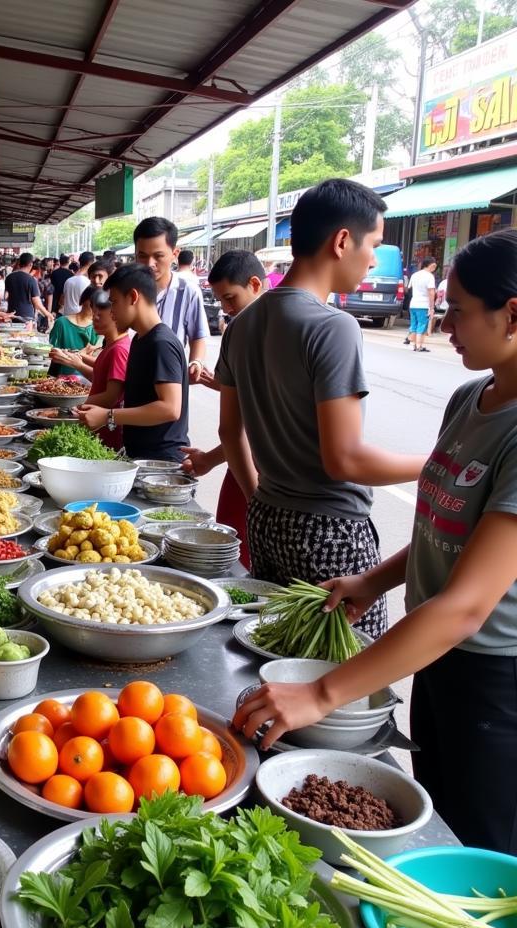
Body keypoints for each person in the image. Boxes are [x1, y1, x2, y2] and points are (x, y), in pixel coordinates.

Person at [234, 228, 517, 853]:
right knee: (436, 816)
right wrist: (373, 580)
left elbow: (470, 605)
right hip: (437, 655)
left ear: (513, 313)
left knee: (481, 841)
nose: (446, 326)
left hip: (496, 680)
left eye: (460, 311)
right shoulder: (472, 398)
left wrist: (322, 694)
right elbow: (447, 532)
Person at [216, 179, 427, 639]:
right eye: (373, 244)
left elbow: (230, 432)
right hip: (330, 532)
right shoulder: (334, 327)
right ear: (342, 241)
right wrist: (436, 466)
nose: (373, 258)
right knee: (345, 676)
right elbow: (344, 459)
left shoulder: (241, 325)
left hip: (267, 517)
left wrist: (258, 498)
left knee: (272, 655)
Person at [179, 249, 268, 569]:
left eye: (231, 298)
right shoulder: (242, 330)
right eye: (221, 301)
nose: (227, 309)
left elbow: (242, 427)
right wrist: (220, 384)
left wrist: (209, 460)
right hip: (244, 464)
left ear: (256, 284)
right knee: (236, 549)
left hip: (261, 470)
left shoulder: (258, 331)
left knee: (246, 554)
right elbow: (246, 408)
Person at [77, 265, 186, 460]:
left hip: (160, 462)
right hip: (139, 453)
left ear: (133, 297)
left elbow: (170, 408)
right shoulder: (139, 340)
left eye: (114, 303)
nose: (111, 313)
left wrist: (108, 416)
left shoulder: (161, 343)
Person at [134, 217, 211, 385]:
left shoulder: (188, 291)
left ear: (175, 254)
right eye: (143, 256)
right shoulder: (127, 290)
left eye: (158, 256)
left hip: (170, 384)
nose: (150, 264)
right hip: (131, 382)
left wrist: (196, 362)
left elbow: (197, 336)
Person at [57, 287, 130, 450]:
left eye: (100, 315)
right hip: (98, 426)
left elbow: (112, 396)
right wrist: (77, 359)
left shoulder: (119, 350)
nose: (94, 318)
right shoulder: (111, 346)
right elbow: (100, 374)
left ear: (115, 315)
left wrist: (75, 405)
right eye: (93, 313)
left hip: (107, 430)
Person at [48, 284, 97, 376]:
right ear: (83, 300)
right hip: (61, 377)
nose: (95, 307)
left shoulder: (98, 328)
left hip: (87, 378)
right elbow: (51, 350)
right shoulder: (61, 323)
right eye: (92, 302)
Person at [5, 253, 53, 324]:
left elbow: (6, 296)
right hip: (26, 316)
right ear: (30, 264)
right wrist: (47, 314)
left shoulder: (9, 277)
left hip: (11, 315)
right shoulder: (31, 280)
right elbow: (36, 302)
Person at [406, 257, 437, 352]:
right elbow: (431, 292)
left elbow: (409, 288)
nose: (435, 267)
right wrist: (431, 307)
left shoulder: (414, 275)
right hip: (423, 304)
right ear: (430, 265)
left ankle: (412, 344)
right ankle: (419, 345)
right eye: (434, 265)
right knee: (422, 325)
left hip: (413, 304)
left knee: (414, 324)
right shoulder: (429, 276)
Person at [60, 250, 94, 315]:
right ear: (91, 263)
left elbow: (61, 301)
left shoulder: (68, 280)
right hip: (81, 319)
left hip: (68, 316)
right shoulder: (88, 282)